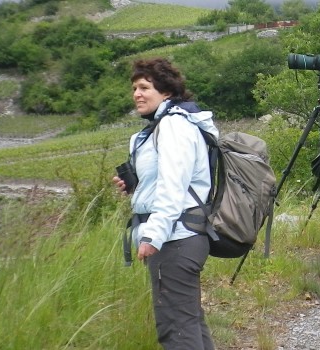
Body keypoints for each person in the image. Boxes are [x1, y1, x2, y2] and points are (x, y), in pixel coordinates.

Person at [112, 58, 217, 349]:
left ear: (167, 92)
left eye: (145, 87)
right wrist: (136, 186)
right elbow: (166, 179)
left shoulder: (173, 125)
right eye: (134, 88)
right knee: (189, 322)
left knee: (176, 331)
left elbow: (173, 187)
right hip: (180, 235)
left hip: (175, 239)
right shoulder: (165, 126)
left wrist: (153, 235)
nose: (137, 94)